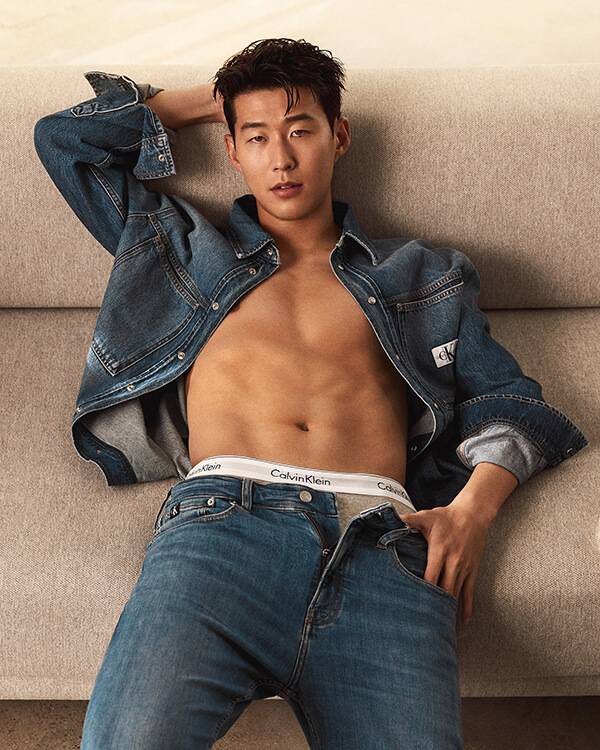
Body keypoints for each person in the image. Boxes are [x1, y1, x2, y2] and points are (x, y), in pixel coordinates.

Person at [33, 38, 588, 750]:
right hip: (220, 527)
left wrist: (472, 514)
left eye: (300, 130)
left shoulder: (423, 273)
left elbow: (511, 401)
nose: (282, 159)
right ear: (231, 150)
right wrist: (216, 99)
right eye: (257, 138)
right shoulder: (181, 249)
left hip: (380, 540)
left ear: (339, 136)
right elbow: (64, 141)